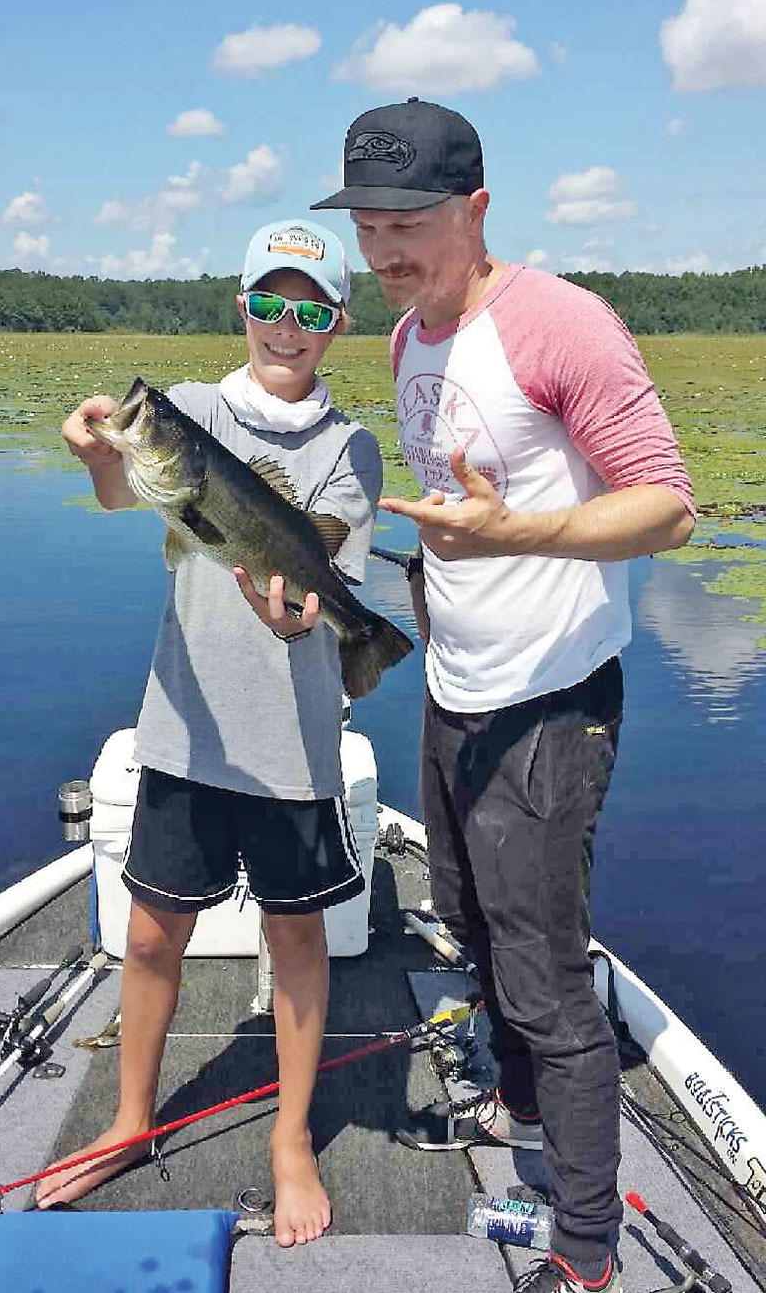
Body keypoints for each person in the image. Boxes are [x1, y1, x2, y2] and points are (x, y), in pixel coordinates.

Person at [312, 101, 695, 1293]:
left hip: (550, 706)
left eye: (409, 223)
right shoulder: (405, 338)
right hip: (456, 695)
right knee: (474, 936)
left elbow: (667, 505)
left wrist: (520, 532)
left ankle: (584, 1250)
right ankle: (524, 1149)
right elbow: (449, 526)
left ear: (475, 209)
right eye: (367, 226)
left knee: (542, 979)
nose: (383, 253)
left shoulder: (558, 324)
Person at [35, 219, 383, 1248]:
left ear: (335, 326)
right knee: (148, 932)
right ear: (242, 308)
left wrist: (302, 620)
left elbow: (327, 586)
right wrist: (97, 450)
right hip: (184, 737)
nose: (287, 325)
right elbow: (121, 493)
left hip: (291, 741)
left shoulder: (346, 448)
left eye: (310, 309)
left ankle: (288, 1142)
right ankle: (130, 1121)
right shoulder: (183, 414)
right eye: (269, 303)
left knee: (298, 940)